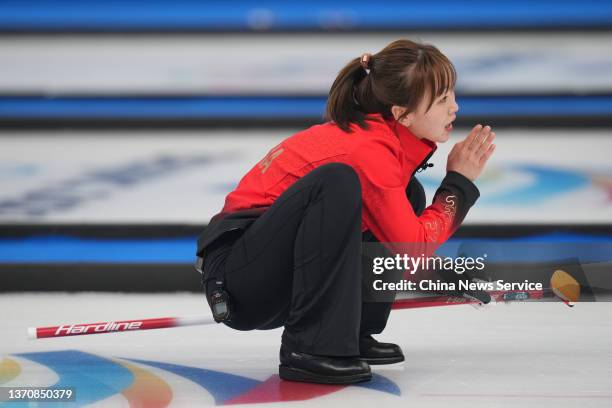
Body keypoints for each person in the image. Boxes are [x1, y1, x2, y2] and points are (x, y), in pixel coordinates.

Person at [195, 39, 495, 385]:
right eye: (442, 100)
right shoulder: (369, 150)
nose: (454, 108)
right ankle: (309, 349)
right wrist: (457, 184)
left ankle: (349, 335)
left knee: (405, 193)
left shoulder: (380, 143)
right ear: (402, 114)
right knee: (337, 182)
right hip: (237, 281)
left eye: (452, 95)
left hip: (265, 269)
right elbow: (413, 250)